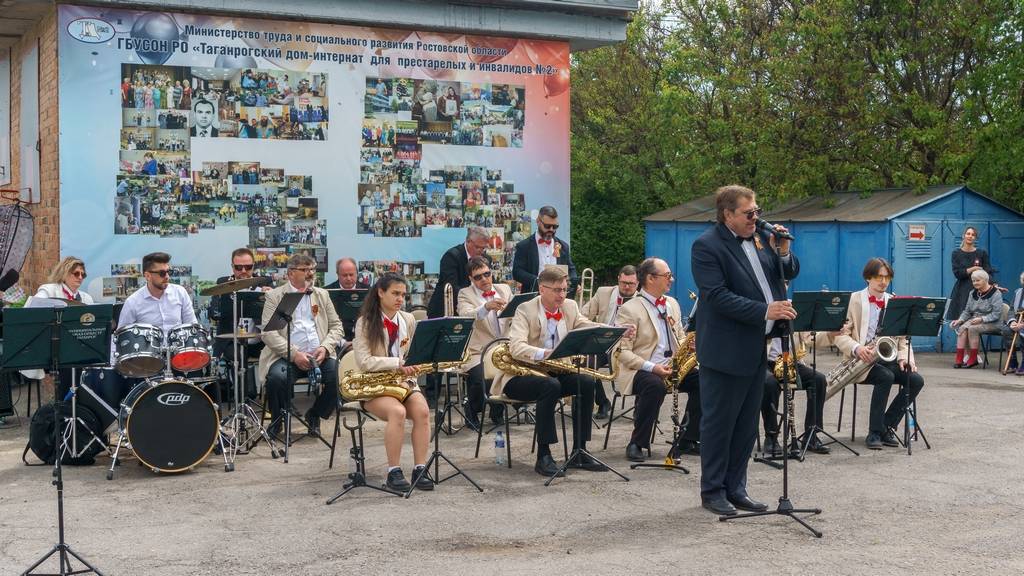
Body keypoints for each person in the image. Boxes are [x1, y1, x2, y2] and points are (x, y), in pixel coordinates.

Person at [691, 185, 799, 516]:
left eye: (758, 212)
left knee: (746, 425)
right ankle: (713, 491)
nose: (756, 218)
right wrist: (765, 311)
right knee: (719, 424)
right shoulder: (706, 246)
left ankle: (737, 488)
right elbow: (716, 295)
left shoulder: (760, 238)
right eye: (748, 213)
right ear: (728, 214)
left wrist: (782, 252)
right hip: (724, 349)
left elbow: (786, 273)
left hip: (755, 346)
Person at [492, 266, 615, 477]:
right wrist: (545, 353)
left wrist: (613, 330)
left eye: (565, 290)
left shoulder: (570, 306)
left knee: (586, 382)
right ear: (542, 289)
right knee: (550, 386)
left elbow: (586, 325)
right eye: (557, 290)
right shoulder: (525, 309)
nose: (562, 295)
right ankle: (544, 456)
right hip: (520, 374)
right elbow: (516, 347)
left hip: (554, 373)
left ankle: (580, 451)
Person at [351, 273, 432, 492]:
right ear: (380, 292)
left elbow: (412, 353)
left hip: (403, 382)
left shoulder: (408, 319)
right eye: (395, 293)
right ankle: (393, 471)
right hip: (374, 385)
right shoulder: (365, 322)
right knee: (398, 412)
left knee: (423, 412)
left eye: (403, 295)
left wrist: (417, 363)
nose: (400, 299)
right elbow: (364, 362)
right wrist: (397, 363)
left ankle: (420, 468)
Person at [616, 258, 702, 462]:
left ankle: (688, 439)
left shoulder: (672, 303)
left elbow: (679, 335)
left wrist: (688, 345)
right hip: (641, 369)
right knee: (655, 386)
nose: (671, 279)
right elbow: (622, 352)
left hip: (672, 365)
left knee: (705, 380)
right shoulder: (630, 309)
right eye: (667, 275)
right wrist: (652, 367)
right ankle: (637, 443)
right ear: (650, 278)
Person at [833, 257, 924, 450]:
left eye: (887, 277)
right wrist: (857, 348)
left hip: (886, 358)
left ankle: (886, 426)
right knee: (886, 376)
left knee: (916, 380)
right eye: (878, 277)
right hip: (861, 360)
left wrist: (905, 358)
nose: (883, 282)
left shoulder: (894, 302)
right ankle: (874, 432)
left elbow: (903, 338)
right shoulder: (853, 300)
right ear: (868, 278)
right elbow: (840, 335)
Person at [258, 254, 342, 438]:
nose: (310, 273)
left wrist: (325, 348)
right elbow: (268, 333)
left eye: (312, 269)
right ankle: (278, 420)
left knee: (340, 377)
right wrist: (294, 354)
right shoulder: (275, 296)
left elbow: (337, 327)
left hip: (319, 356)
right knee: (276, 378)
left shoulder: (322, 295)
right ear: (290, 273)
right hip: (286, 357)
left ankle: (315, 414)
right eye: (304, 270)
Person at [457, 256, 511, 430]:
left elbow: (517, 314)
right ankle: (472, 410)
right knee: (481, 378)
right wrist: (486, 307)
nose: (484, 279)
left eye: (487, 274)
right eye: (478, 277)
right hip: (478, 351)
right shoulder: (465, 293)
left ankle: (497, 411)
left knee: (511, 373)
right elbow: (465, 316)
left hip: (504, 348)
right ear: (471, 279)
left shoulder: (504, 289)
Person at [579, 264, 639, 418]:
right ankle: (602, 401)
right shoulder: (603, 292)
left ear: (638, 283)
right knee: (585, 363)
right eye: (623, 283)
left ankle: (640, 407)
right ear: (618, 279)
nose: (627, 287)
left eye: (631, 284)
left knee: (645, 363)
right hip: (603, 342)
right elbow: (582, 316)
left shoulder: (641, 300)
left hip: (629, 346)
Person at [761, 330, 829, 456]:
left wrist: (831, 334)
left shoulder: (794, 317)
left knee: (818, 380)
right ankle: (771, 437)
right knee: (769, 384)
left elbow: (809, 338)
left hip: (790, 362)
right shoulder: (766, 317)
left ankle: (811, 435)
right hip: (765, 363)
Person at [119, 252, 196, 332]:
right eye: (162, 273)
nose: (167, 277)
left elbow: (192, 327)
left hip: (178, 340)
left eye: (169, 272)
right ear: (148, 276)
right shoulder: (132, 302)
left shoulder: (180, 293)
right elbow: (122, 335)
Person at [512, 206, 578, 295]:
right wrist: (538, 281)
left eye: (555, 226)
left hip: (558, 296)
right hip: (534, 296)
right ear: (538, 221)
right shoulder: (524, 246)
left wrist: (574, 283)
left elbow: (571, 269)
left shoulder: (563, 246)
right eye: (547, 226)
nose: (551, 230)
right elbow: (517, 272)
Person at [950, 269, 1005, 369]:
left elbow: (996, 314)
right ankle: (959, 359)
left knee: (972, 328)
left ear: (985, 280)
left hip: (994, 322)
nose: (975, 283)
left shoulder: (996, 293)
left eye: (978, 280)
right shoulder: (972, 293)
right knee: (961, 328)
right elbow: (967, 311)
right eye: (973, 281)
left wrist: (982, 319)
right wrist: (960, 320)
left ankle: (973, 358)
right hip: (975, 320)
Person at [947, 226, 994, 321]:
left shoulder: (982, 253)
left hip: (979, 290)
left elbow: (988, 272)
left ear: (975, 238)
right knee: (962, 321)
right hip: (962, 291)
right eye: (968, 234)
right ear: (963, 236)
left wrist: (994, 285)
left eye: (973, 235)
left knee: (977, 321)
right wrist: (974, 268)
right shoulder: (956, 253)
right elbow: (957, 273)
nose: (970, 236)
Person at [324, 257, 369, 342]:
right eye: (344, 275)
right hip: (336, 341)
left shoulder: (368, 291)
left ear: (357, 273)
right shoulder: (326, 293)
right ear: (337, 274)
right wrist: (342, 343)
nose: (348, 278)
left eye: (351, 275)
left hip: (363, 339)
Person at [1001, 272, 1024, 374]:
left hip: (1022, 324)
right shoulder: (1018, 292)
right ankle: (1013, 362)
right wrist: (1012, 322)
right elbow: (1011, 309)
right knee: (1006, 330)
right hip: (1017, 321)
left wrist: (1022, 325)